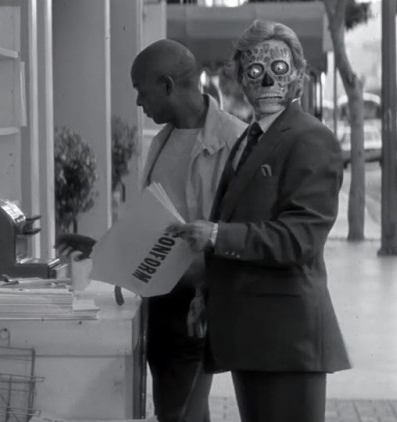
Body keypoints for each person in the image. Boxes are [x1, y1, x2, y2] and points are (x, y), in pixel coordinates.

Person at [167, 20, 350, 422]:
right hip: (254, 336)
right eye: (254, 69)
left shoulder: (310, 138)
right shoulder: (251, 138)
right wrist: (208, 293)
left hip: (287, 339)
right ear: (239, 76)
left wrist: (217, 235)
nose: (267, 79)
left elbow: (300, 238)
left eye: (279, 68)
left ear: (298, 74)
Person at [56, 39, 246, 422]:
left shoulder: (234, 141)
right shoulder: (163, 139)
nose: (139, 103)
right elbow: (156, 226)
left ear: (167, 85)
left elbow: (241, 231)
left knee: (178, 411)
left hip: (197, 300)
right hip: (160, 299)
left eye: (141, 91)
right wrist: (104, 248)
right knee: (175, 410)